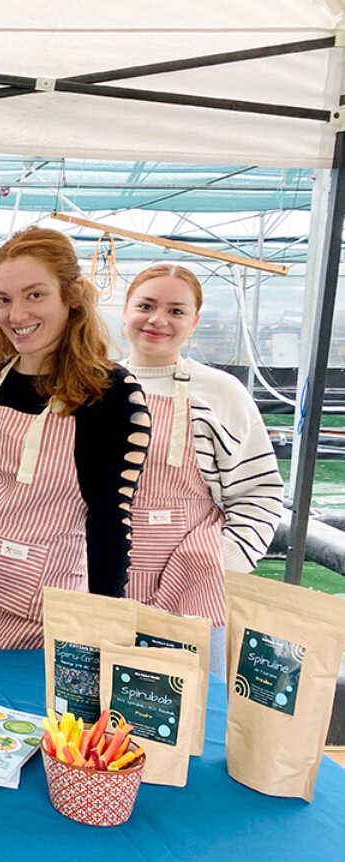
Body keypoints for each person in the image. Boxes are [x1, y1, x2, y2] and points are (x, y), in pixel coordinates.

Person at [0, 227, 148, 650]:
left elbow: (109, 520)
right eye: (4, 299)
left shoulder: (111, 394)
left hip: (52, 619)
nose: (16, 315)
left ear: (73, 295)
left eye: (35, 295)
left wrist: (105, 626)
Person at [120, 264, 282, 671]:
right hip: (99, 580)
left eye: (176, 311)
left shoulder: (221, 392)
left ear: (194, 322)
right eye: (146, 305)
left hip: (194, 589)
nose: (158, 320)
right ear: (124, 312)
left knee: (181, 713)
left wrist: (219, 562)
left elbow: (260, 493)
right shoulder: (94, 385)